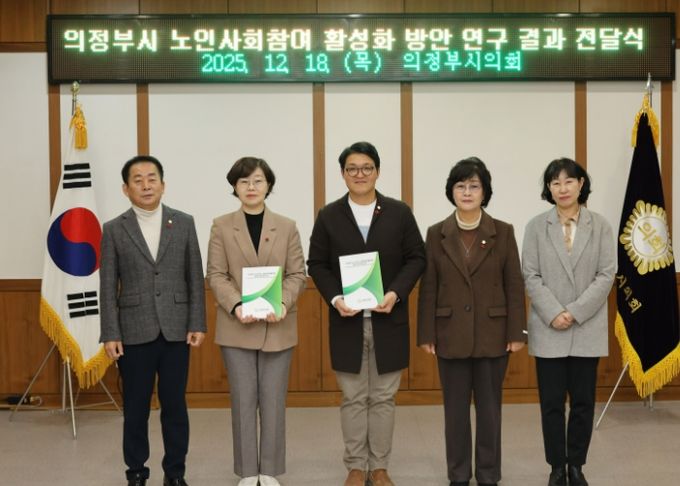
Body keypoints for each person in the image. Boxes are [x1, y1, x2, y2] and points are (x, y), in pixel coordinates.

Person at [308, 141, 425, 486]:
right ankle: (357, 466)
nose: (359, 174)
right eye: (352, 169)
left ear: (377, 171)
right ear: (343, 174)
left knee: (384, 398)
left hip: (390, 319)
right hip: (346, 321)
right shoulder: (329, 215)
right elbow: (317, 264)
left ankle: (380, 466)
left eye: (366, 168)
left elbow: (416, 258)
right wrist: (335, 298)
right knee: (354, 397)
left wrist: (395, 293)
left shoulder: (398, 212)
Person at [417, 157, 526, 486]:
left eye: (474, 186)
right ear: (451, 191)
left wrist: (517, 331)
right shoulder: (436, 233)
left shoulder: (503, 231)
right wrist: (426, 333)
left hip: (494, 334)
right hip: (450, 334)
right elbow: (429, 287)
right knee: (454, 412)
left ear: (485, 192)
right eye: (461, 186)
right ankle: (459, 475)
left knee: (490, 411)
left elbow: (514, 284)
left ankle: (489, 475)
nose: (467, 192)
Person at [100, 155, 206, 486]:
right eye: (138, 180)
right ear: (126, 188)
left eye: (152, 178)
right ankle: (136, 473)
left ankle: (175, 473)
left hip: (176, 330)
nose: (146, 185)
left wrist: (197, 322)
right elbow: (108, 285)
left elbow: (195, 276)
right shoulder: (114, 229)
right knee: (135, 409)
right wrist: (110, 333)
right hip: (133, 331)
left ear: (163, 184)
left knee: (175, 407)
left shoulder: (183, 222)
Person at [206, 157, 306, 486]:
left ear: (268, 185)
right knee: (243, 401)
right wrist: (236, 305)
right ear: (234, 187)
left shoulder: (287, 226)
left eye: (258, 181)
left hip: (278, 326)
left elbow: (297, 274)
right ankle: (248, 471)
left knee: (274, 402)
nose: (251, 187)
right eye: (244, 181)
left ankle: (270, 470)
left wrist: (283, 302)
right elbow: (216, 274)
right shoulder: (221, 226)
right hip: (237, 326)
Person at [522, 158, 615, 486]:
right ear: (549, 189)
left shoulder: (600, 226)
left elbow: (606, 275)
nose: (562, 188)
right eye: (555, 183)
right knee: (551, 404)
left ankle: (576, 465)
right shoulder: (536, 226)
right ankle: (556, 467)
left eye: (568, 181)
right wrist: (554, 312)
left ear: (581, 184)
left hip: (586, 326)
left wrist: (574, 312)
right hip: (548, 327)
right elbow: (530, 275)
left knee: (583, 403)